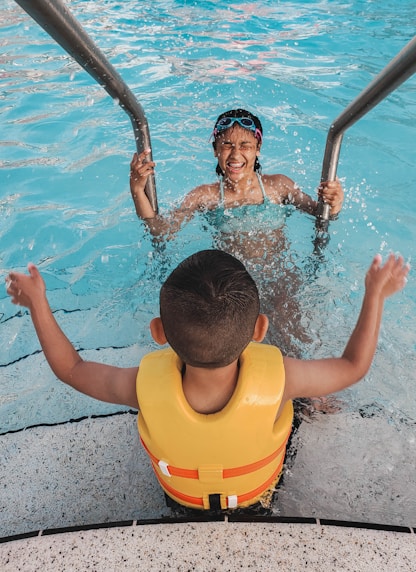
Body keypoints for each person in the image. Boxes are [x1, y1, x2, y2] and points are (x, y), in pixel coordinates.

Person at [5, 249, 409, 512]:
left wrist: (38, 302)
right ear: (260, 329)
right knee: (299, 404)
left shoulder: (140, 389)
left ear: (158, 333)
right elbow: (353, 365)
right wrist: (375, 294)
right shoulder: (283, 377)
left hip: (182, 503)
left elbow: (71, 369)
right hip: (258, 499)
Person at [129, 108, 344, 239]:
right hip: (230, 287)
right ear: (215, 150)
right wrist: (138, 189)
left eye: (245, 145)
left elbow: (321, 217)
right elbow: (162, 233)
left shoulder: (279, 186)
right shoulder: (204, 196)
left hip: (279, 280)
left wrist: (334, 204)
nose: (235, 154)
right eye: (227, 145)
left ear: (258, 148)